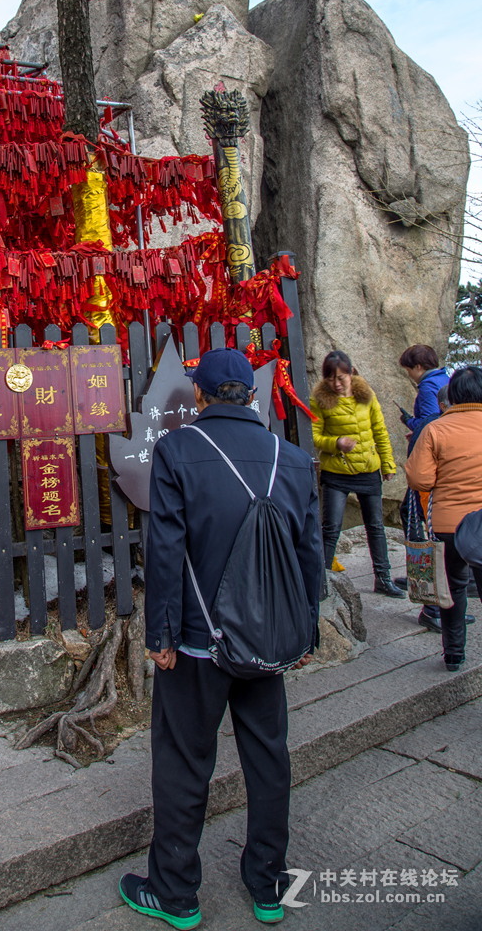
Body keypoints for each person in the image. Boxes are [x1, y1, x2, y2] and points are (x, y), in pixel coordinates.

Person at [119, 349, 322, 929]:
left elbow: (165, 549)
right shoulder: (294, 458)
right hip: (268, 640)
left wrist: (158, 631)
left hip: (196, 641)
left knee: (184, 761)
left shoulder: (179, 450)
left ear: (201, 397)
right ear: (251, 396)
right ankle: (269, 885)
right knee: (268, 758)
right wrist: (304, 628)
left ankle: (175, 892)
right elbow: (310, 555)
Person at [406, 365, 482, 671]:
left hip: (450, 524)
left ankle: (453, 654)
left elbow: (419, 479)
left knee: (453, 589)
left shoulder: (435, 429)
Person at [309, 350, 403, 596]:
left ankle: (383, 578)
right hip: (336, 472)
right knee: (331, 527)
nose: (337, 384)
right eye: (331, 379)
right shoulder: (319, 400)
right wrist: (336, 442)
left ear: (351, 373)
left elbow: (380, 431)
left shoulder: (366, 396)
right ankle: (323, 580)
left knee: (375, 526)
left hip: (367, 469)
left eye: (342, 378)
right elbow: (314, 436)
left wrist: (388, 465)